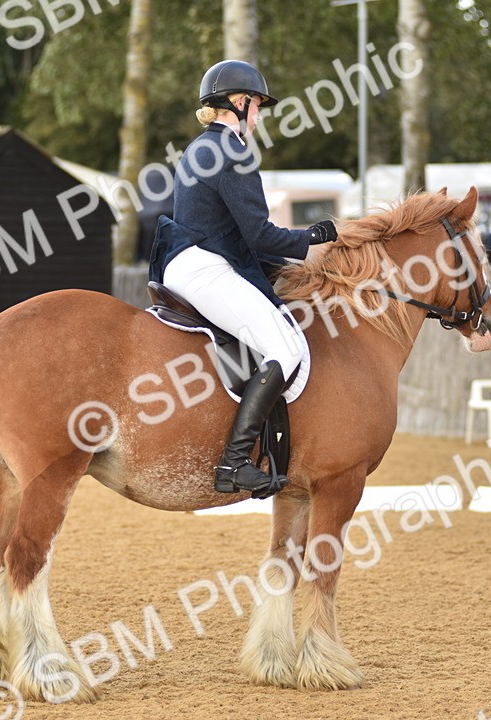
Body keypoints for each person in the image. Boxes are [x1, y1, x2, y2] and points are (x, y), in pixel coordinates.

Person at [148, 60, 339, 497]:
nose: (259, 116)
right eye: (257, 107)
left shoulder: (199, 147)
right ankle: (234, 463)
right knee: (286, 348)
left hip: (187, 260)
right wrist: (313, 238)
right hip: (206, 267)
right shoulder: (232, 150)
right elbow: (258, 234)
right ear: (240, 102)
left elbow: (238, 235)